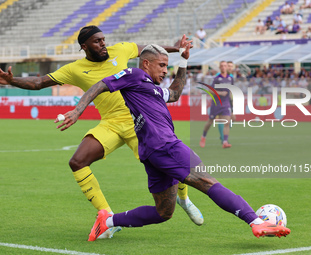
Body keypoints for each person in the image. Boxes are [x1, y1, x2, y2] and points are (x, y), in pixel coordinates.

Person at [56, 43, 291, 241]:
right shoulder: (135, 75)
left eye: (167, 66)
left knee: (163, 212)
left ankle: (108, 220)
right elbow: (101, 85)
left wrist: (184, 62)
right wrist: (78, 110)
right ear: (146, 63)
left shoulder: (153, 89)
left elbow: (175, 93)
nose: (165, 71)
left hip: (152, 152)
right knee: (207, 182)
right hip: (164, 145)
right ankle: (256, 221)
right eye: (161, 65)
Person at [0, 26, 204, 237]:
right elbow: (40, 82)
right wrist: (12, 81)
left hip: (140, 121)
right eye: (97, 41)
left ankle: (184, 198)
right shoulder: (74, 69)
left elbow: (149, 50)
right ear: (84, 46)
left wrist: (177, 49)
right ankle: (107, 216)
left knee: (169, 159)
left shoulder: (121, 49)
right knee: (77, 161)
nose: (103, 43)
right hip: (111, 123)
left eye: (103, 39)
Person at [199, 61, 234, 149]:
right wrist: (220, 93)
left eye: (225, 66)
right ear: (220, 67)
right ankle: (203, 136)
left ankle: (225, 141)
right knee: (210, 122)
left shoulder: (230, 79)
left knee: (227, 122)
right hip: (216, 103)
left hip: (226, 104)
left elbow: (230, 92)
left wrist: (231, 103)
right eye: (221, 66)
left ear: (227, 67)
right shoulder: (217, 78)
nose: (223, 67)